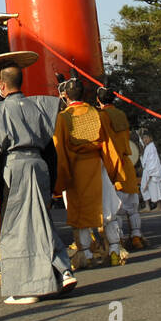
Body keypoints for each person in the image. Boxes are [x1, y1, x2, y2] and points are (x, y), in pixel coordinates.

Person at [0, 51, 76, 305]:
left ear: (1, 85)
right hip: (40, 166)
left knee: (15, 228)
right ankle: (61, 270)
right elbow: (50, 148)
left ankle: (27, 289)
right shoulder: (42, 106)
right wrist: (52, 177)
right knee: (42, 219)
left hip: (16, 169)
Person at [53, 77, 127, 267]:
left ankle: (85, 254)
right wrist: (114, 172)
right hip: (97, 166)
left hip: (77, 169)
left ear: (66, 96)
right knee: (108, 210)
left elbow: (59, 149)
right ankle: (115, 250)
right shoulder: (97, 114)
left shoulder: (62, 117)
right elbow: (108, 146)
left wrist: (60, 179)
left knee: (81, 215)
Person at [98, 87, 146, 250]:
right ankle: (137, 236)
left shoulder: (102, 116)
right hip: (127, 161)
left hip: (113, 163)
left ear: (99, 100)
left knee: (116, 208)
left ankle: (119, 239)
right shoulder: (121, 114)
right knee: (132, 207)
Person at [139, 133, 161, 210]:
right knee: (143, 187)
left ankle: (159, 206)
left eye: (146, 137)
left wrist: (150, 175)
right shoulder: (147, 147)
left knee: (155, 188)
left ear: (150, 138)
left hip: (152, 171)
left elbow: (153, 162)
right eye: (143, 138)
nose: (145, 139)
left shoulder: (152, 147)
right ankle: (147, 206)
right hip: (147, 171)